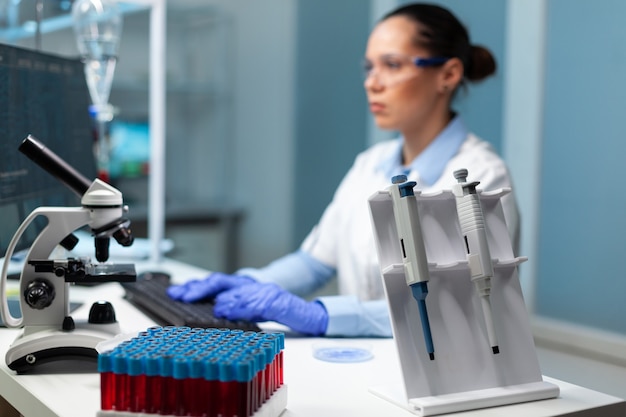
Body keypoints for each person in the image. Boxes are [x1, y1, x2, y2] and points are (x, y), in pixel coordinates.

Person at [167, 3, 520, 338]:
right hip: (365, 361)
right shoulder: (371, 163)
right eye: (369, 67)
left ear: (448, 74)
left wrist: (322, 316)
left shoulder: (481, 176)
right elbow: (316, 262)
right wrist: (254, 282)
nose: (372, 82)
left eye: (392, 65)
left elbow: (459, 306)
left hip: (444, 373)